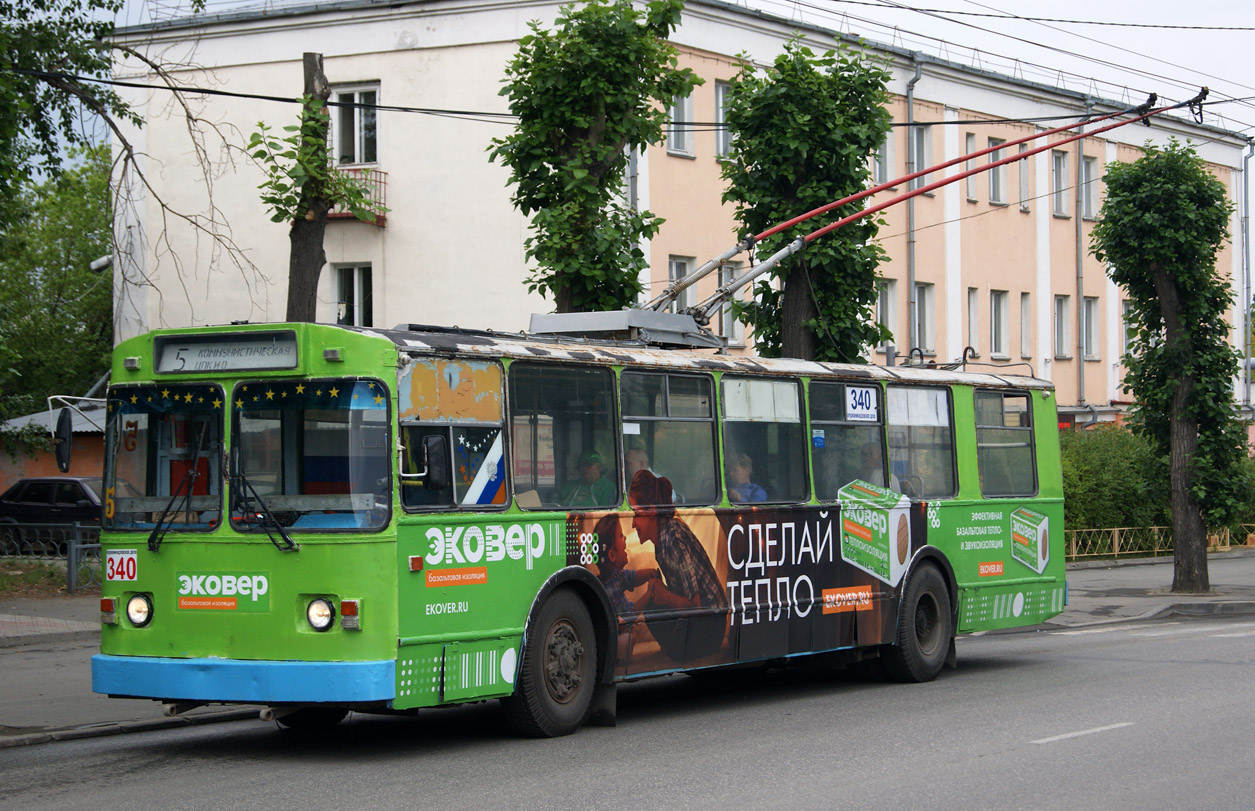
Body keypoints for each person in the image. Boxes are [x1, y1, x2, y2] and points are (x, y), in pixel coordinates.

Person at [628, 470, 728, 660]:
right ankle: (677, 646)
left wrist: (665, 596)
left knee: (653, 607)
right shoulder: (661, 542)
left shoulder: (673, 536)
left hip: (709, 626)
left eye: (635, 513)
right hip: (701, 622)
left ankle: (682, 649)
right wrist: (661, 590)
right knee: (652, 604)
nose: (633, 524)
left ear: (652, 511)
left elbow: (695, 605)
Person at [591, 513, 659, 621]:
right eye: (621, 535)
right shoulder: (609, 586)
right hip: (612, 632)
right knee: (631, 634)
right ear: (612, 555)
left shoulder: (615, 574)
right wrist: (649, 592)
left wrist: (649, 574)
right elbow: (629, 613)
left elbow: (633, 578)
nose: (625, 538)